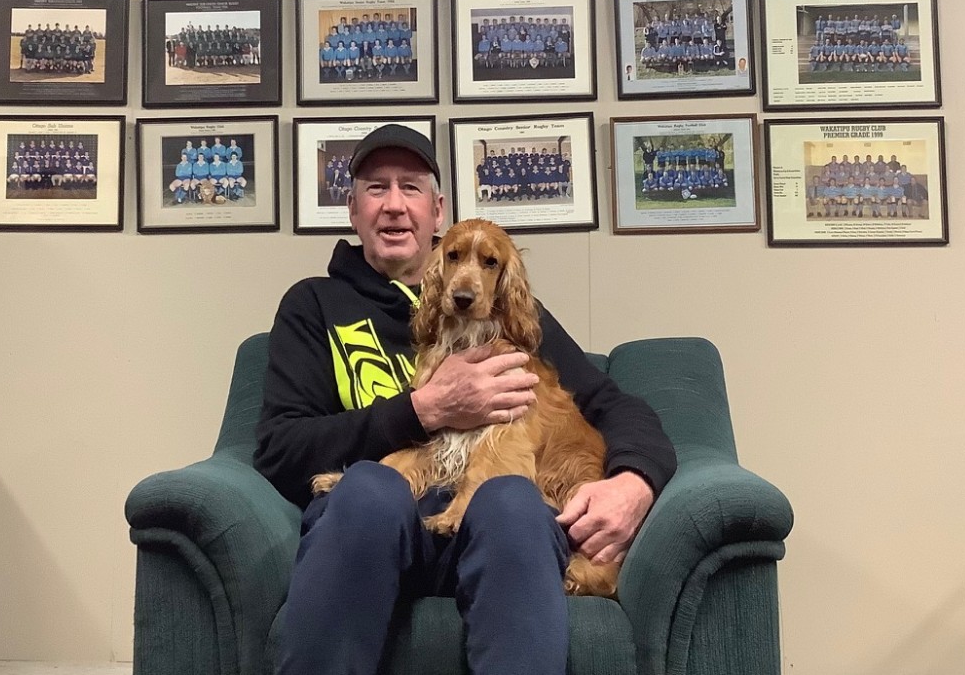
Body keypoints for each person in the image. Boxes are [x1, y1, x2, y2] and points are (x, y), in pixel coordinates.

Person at [254, 124, 676, 675]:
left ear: (437, 210)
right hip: (372, 528)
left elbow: (614, 406)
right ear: (353, 210)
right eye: (376, 188)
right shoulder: (313, 304)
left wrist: (633, 482)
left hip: (492, 531)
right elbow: (279, 449)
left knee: (511, 501)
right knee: (370, 487)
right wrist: (424, 410)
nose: (394, 205)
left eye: (411, 187)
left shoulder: (509, 316)